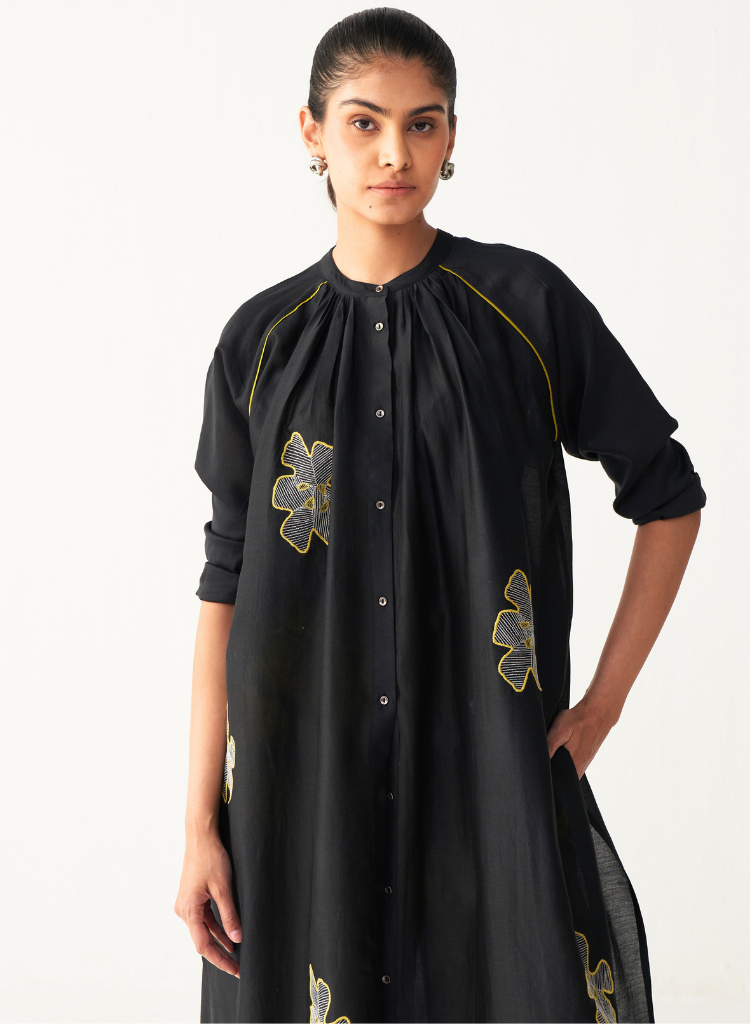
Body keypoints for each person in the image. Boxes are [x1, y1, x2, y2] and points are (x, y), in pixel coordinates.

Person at [174, 9, 704, 1023]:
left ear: (452, 135)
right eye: (364, 122)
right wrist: (200, 822)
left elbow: (668, 495)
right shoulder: (261, 342)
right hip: (302, 781)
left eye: (422, 123)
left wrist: (601, 706)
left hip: (485, 762)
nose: (394, 153)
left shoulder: (524, 305)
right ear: (311, 131)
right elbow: (225, 582)